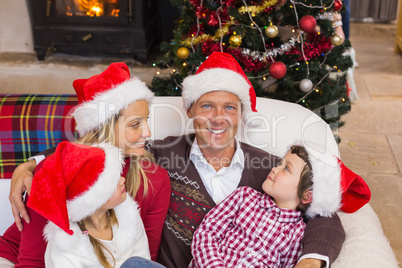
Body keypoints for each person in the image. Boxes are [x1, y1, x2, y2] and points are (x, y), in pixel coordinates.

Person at [9, 53, 345, 268]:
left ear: (242, 114)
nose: (217, 118)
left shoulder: (269, 169)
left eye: (229, 107)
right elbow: (97, 151)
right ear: (189, 111)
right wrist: (33, 164)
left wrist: (311, 260)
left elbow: (324, 209)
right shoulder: (159, 155)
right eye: (206, 106)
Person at [0, 62, 171, 267]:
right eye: (135, 124)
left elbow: (143, 260)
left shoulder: (155, 180)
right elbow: (31, 261)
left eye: (146, 121)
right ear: (102, 126)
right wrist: (29, 166)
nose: (147, 133)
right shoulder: (55, 171)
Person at [189, 144, 343, 267]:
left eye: (286, 168)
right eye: (280, 163)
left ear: (306, 196)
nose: (275, 169)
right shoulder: (244, 197)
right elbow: (206, 232)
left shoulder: (297, 235)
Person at [28, 141, 158, 267]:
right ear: (93, 199)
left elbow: (144, 261)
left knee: (136, 263)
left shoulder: (129, 216)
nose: (123, 179)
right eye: (112, 181)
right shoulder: (66, 245)